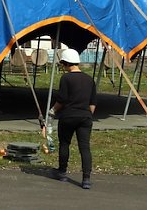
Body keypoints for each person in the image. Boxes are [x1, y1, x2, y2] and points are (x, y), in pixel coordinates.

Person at [50, 48, 97, 189]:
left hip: (68, 116)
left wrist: (52, 111)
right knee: (85, 147)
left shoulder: (66, 78)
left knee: (64, 144)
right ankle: (86, 179)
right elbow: (93, 103)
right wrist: (87, 115)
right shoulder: (89, 79)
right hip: (85, 117)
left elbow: (62, 99)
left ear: (66, 63)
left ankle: (62, 172)